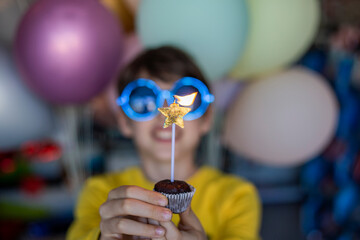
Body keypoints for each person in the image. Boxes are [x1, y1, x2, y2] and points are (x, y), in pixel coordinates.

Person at [66, 46, 261, 240]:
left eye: (184, 99)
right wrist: (104, 236)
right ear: (125, 121)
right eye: (144, 101)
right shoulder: (99, 191)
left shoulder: (236, 195)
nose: (165, 111)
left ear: (207, 119)